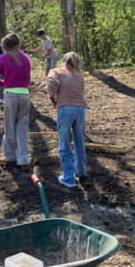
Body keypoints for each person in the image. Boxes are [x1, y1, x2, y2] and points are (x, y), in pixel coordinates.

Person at [45, 51, 88, 188]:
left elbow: (50, 85)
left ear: (64, 61)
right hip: (80, 110)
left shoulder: (56, 71)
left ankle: (69, 177)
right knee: (79, 141)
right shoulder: (79, 75)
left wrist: (53, 99)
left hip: (65, 110)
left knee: (64, 142)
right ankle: (81, 172)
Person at [0, 32, 32, 171]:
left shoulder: (2, 58)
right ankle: (23, 159)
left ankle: (10, 157)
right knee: (22, 127)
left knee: (9, 127)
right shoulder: (25, 58)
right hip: (24, 95)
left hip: (10, 96)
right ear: (18, 44)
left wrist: (4, 84)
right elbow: (28, 79)